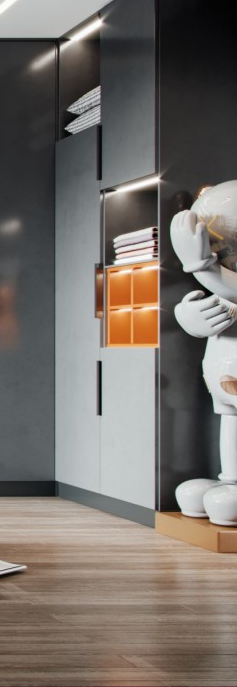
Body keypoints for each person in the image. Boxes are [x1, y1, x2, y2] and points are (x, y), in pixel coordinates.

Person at [171, 180, 237, 525]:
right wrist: (189, 314)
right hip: (225, 375)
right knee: (231, 419)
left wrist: (200, 267)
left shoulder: (215, 273)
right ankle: (231, 481)